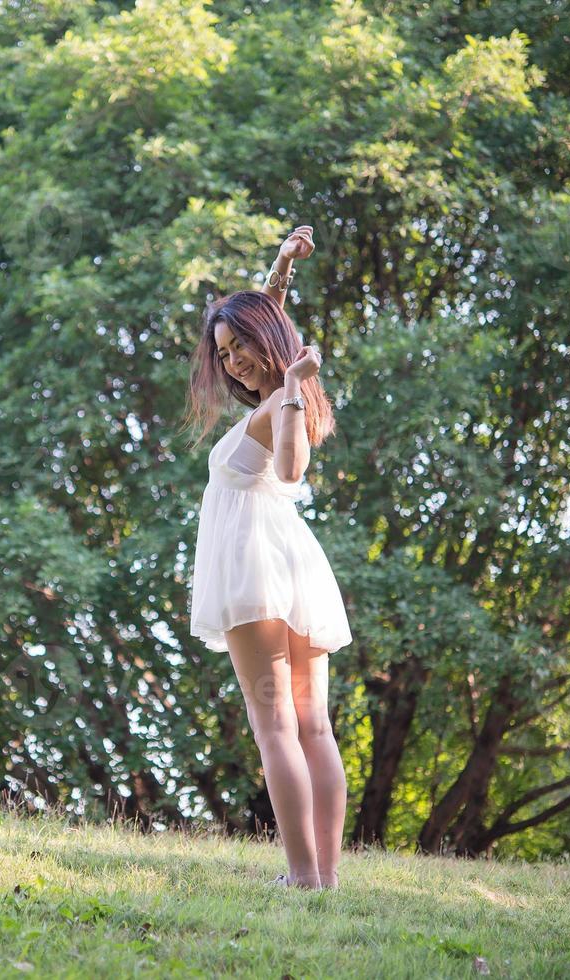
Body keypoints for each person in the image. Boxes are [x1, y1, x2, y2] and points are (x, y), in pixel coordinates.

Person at [179, 226, 353, 891]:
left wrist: (287, 387)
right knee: (310, 728)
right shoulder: (285, 390)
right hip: (291, 566)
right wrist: (280, 264)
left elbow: (292, 465)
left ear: (268, 345)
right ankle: (322, 879)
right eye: (223, 354)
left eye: (239, 347)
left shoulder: (283, 404)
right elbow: (270, 316)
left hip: (256, 569)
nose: (231, 363)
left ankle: (304, 876)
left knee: (279, 727)